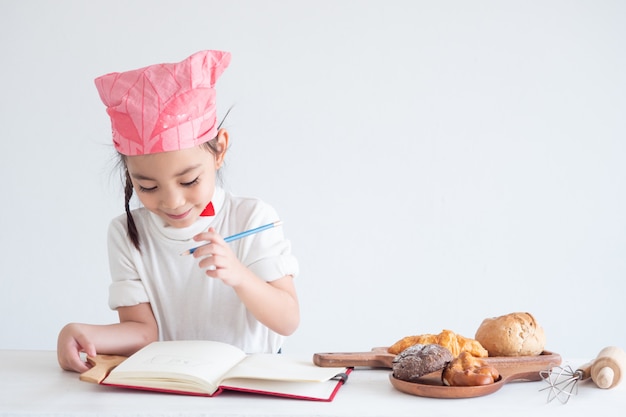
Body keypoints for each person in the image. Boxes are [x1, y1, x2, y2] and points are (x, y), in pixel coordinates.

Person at [57, 50, 300, 373]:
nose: (172, 202)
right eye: (148, 187)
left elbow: (288, 319)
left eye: (189, 180)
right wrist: (79, 333)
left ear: (220, 150)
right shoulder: (126, 234)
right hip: (176, 385)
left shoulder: (253, 218)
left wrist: (239, 275)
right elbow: (143, 333)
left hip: (254, 384)